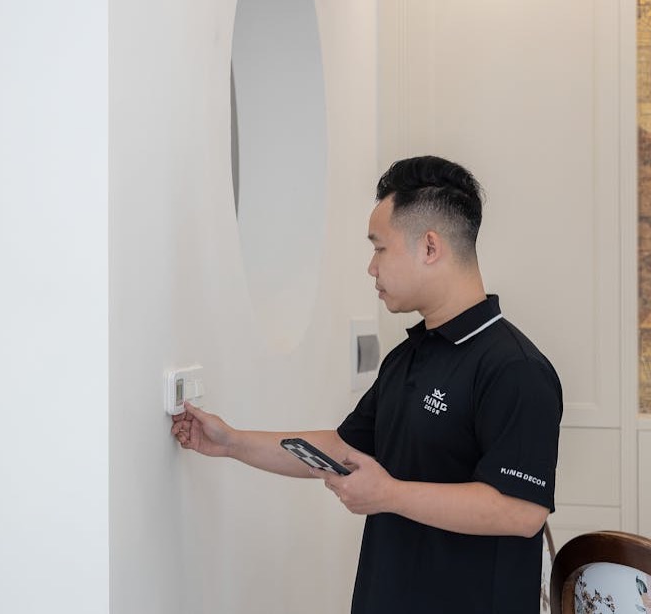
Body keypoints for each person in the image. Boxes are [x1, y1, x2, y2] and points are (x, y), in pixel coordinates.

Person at [170, 156, 562, 614]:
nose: (371, 268)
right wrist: (231, 442)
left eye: (380, 249)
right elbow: (343, 448)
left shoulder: (515, 368)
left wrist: (389, 494)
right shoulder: (409, 356)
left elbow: (521, 511)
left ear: (429, 247)